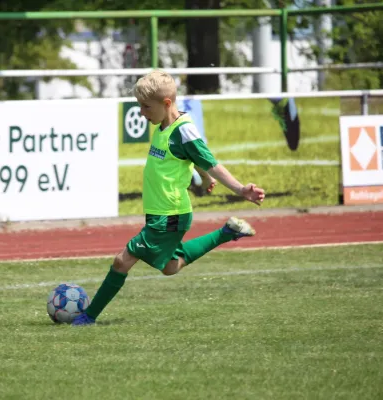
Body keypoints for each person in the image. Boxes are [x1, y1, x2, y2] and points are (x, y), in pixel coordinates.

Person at [72, 70, 266, 326]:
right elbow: (193, 159)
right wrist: (203, 178)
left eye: (145, 106)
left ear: (165, 103)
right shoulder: (163, 125)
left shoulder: (184, 131)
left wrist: (241, 190)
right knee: (170, 266)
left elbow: (211, 162)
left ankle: (88, 316)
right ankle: (227, 232)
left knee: (122, 260)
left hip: (169, 216)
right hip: (162, 214)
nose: (141, 112)